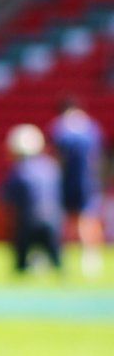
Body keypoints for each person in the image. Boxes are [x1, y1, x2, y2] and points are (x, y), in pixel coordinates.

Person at [47, 96, 105, 277]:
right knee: (88, 217)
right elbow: (98, 156)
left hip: (66, 180)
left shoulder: (59, 126)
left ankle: (54, 253)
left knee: (63, 218)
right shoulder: (91, 126)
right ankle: (90, 256)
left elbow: (56, 156)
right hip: (89, 180)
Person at [2, 123, 64, 275]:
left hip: (28, 224)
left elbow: (8, 199)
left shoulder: (19, 169)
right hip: (53, 222)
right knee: (58, 265)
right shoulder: (51, 166)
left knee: (20, 267)